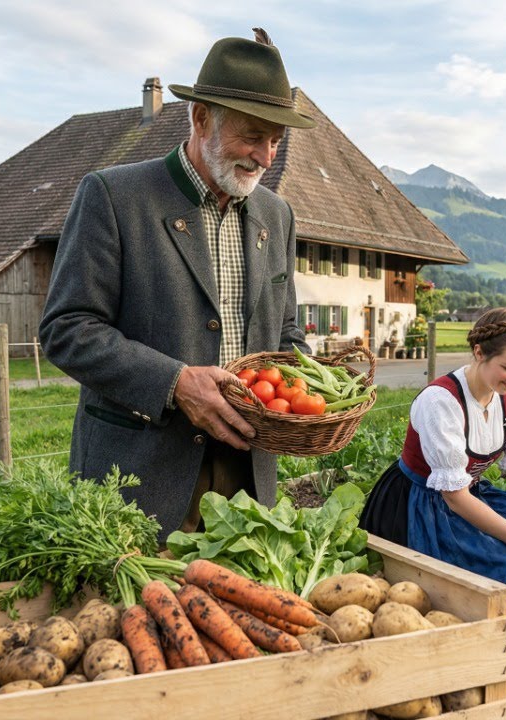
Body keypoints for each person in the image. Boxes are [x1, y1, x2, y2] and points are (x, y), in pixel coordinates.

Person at [39, 30, 316, 542]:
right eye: (253, 135)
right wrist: (174, 383)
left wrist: (315, 391)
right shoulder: (114, 196)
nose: (266, 156)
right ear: (201, 118)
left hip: (247, 473)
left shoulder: (277, 215)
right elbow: (67, 329)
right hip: (143, 474)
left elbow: (286, 332)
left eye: (276, 140)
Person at [360, 308, 506, 585]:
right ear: (479, 353)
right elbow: (454, 496)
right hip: (420, 505)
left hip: (469, 495)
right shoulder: (441, 402)